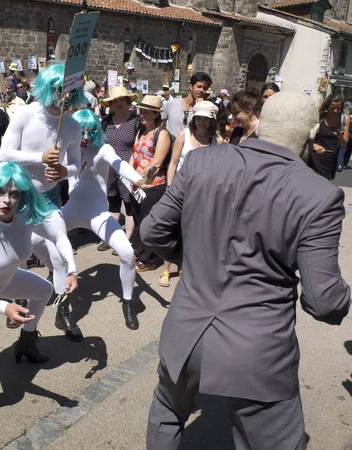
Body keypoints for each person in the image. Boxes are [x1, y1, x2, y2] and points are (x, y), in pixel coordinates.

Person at [142, 92, 350, 449]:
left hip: (186, 330)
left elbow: (152, 232)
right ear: (312, 131)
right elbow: (324, 302)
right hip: (257, 350)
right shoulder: (319, 195)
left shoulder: (201, 162)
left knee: (167, 412)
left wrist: (194, 260)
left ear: (260, 123)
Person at [0, 161, 78, 431]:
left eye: (15, 193)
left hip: (5, 281)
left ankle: (26, 343)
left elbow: (59, 236)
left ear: (22, 195)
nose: (6, 200)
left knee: (44, 290)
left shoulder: (25, 217)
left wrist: (72, 269)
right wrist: (3, 308)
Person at [0, 62, 86, 341]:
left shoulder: (72, 126)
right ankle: (21, 301)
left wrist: (63, 171)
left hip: (47, 198)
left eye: (72, 91)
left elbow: (76, 165)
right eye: (61, 89)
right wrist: (40, 158)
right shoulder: (26, 114)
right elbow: (5, 154)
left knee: (61, 256)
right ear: (49, 87)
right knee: (18, 256)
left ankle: (61, 311)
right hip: (18, 197)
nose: (66, 96)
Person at [40, 109, 145, 330]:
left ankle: (128, 302)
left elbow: (119, 164)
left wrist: (139, 179)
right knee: (38, 240)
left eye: (91, 131)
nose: (86, 137)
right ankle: (61, 304)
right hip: (72, 209)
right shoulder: (68, 150)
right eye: (82, 131)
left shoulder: (103, 149)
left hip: (98, 213)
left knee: (126, 252)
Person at [128, 95, 172, 283]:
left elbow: (157, 162)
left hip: (153, 186)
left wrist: (140, 178)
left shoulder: (161, 133)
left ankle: (149, 259)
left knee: (148, 223)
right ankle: (141, 253)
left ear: (155, 115)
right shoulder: (141, 131)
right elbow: (134, 155)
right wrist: (130, 176)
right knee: (138, 220)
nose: (142, 115)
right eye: (141, 111)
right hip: (138, 185)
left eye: (146, 112)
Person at [98, 86, 140, 250]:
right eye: (115, 101)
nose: (118, 104)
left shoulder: (135, 121)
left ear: (128, 102)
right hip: (108, 170)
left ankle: (127, 239)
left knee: (129, 206)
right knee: (112, 204)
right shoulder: (106, 122)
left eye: (121, 100)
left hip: (127, 168)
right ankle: (110, 238)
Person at [167, 100, 221, 186]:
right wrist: (169, 186)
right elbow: (173, 163)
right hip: (181, 185)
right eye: (199, 118)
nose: (202, 123)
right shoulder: (183, 135)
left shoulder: (217, 140)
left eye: (206, 119)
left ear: (211, 121)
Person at [311, 93, 349, 180]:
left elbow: (344, 144)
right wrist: (314, 145)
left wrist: (340, 137)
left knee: (324, 186)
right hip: (315, 158)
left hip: (330, 160)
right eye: (333, 108)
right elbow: (307, 135)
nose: (335, 110)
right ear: (327, 106)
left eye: (338, 108)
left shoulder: (344, 119)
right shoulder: (320, 116)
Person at [162, 72, 212, 138]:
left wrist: (200, 108)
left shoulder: (204, 110)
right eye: (199, 86)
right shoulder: (171, 104)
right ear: (191, 86)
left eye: (204, 88)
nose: (201, 90)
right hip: (172, 146)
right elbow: (159, 123)